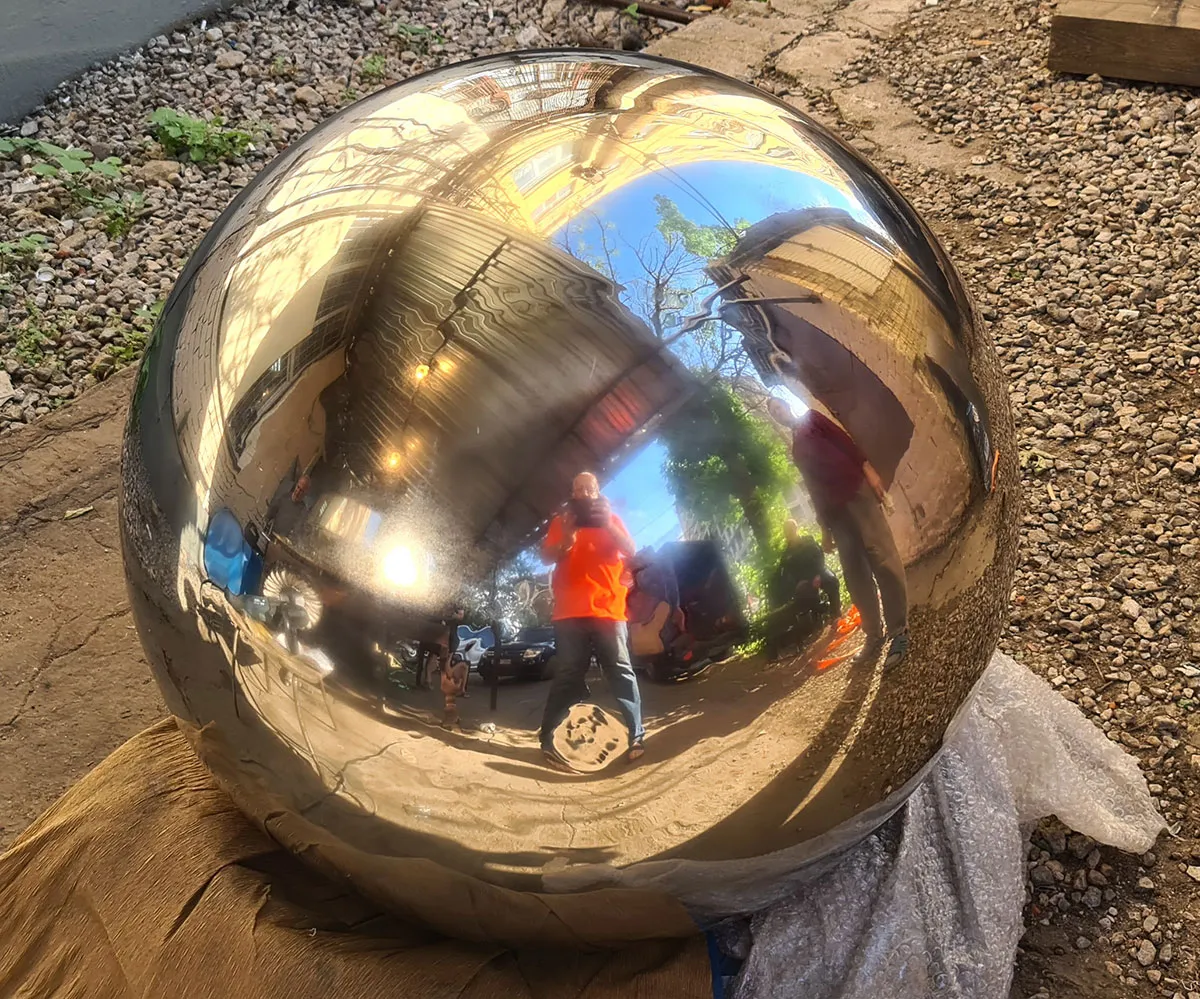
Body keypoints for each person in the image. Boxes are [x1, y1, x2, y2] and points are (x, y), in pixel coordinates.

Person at [767, 398, 909, 669]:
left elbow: (844, 442)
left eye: (778, 406)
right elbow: (812, 488)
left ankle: (898, 630)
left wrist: (868, 470)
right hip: (834, 514)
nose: (777, 412)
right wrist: (824, 528)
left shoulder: (812, 419)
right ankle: (873, 633)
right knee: (854, 573)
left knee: (881, 556)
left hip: (855, 491)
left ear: (787, 406)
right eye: (773, 412)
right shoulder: (796, 450)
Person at [539, 472, 645, 766]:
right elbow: (546, 557)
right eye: (578, 489)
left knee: (620, 670)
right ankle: (548, 737)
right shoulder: (562, 522)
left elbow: (630, 549)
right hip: (569, 612)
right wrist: (567, 539)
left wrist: (608, 523)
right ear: (573, 494)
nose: (584, 493)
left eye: (589, 488)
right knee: (568, 673)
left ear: (598, 492)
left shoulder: (612, 518)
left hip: (608, 609)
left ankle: (636, 735)